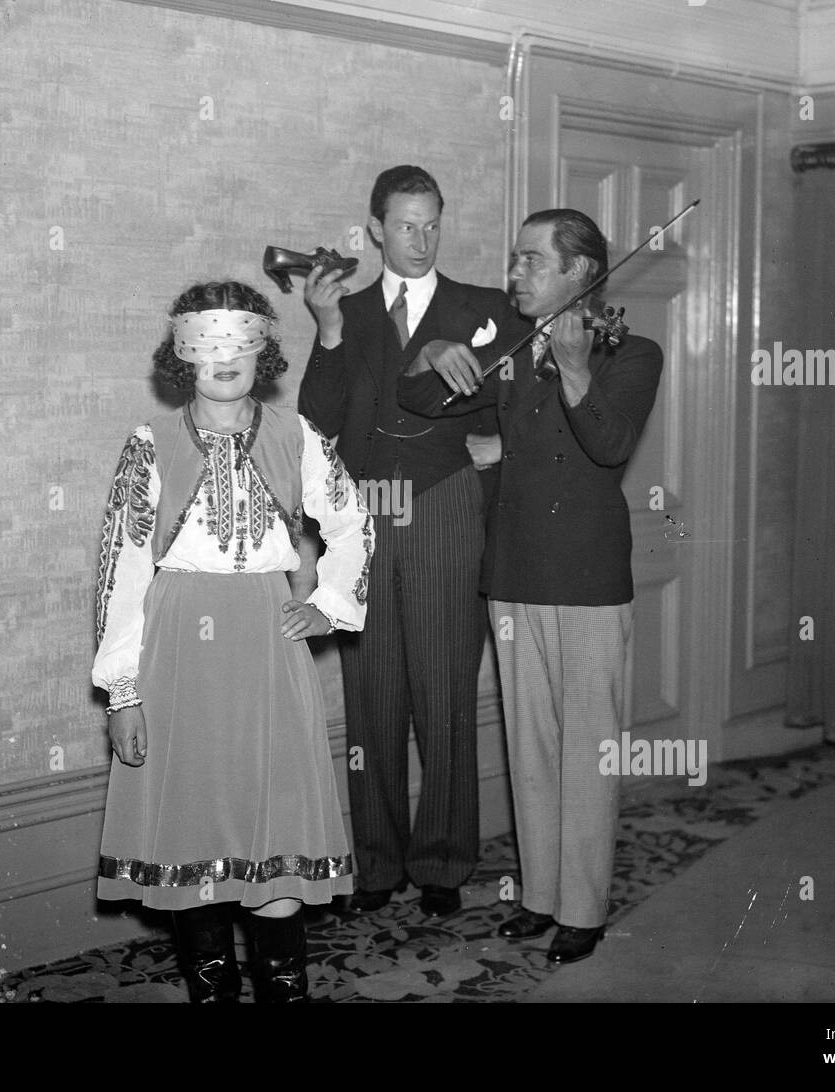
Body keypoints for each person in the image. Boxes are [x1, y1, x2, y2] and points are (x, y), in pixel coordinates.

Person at [92, 281, 374, 1003]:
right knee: (198, 840)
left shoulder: (297, 435)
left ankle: (285, 993)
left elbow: (351, 522)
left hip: (268, 648)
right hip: (178, 652)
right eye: (206, 345)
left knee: (274, 828)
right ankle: (211, 994)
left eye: (239, 344)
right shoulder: (149, 446)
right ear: (182, 355)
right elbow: (121, 573)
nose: (223, 359)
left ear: (263, 352)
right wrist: (124, 693)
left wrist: (329, 605)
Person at [398, 208, 664, 963]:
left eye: (530, 261)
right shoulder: (510, 352)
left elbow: (609, 443)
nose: (513, 273)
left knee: (587, 748)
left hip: (585, 579)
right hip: (511, 575)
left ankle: (583, 907)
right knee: (531, 746)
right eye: (515, 260)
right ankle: (542, 897)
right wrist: (438, 351)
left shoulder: (633, 352)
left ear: (580, 273)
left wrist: (575, 366)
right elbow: (419, 399)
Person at [297, 165, 513, 918]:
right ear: (376, 230)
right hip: (364, 515)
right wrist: (326, 334)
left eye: (433, 225)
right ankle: (378, 865)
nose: (421, 241)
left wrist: (500, 449)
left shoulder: (481, 308)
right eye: (407, 226)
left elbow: (529, 395)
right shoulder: (347, 313)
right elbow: (317, 425)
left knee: (446, 688)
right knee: (372, 694)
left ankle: (445, 864)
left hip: (444, 504)